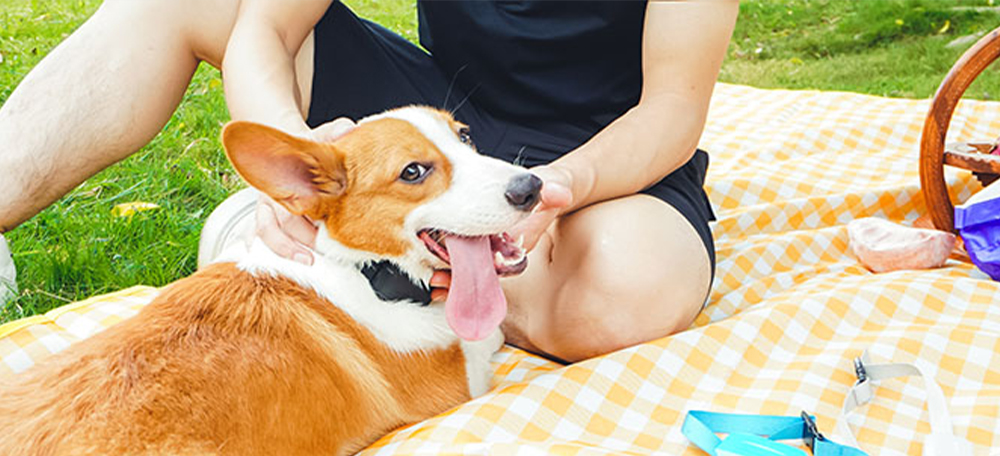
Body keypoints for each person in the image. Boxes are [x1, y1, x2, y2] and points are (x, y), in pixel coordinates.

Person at [0, 0, 738, 363]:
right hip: (444, 121)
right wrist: (293, 163)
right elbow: (266, 28)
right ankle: (358, 234)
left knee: (621, 297)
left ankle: (352, 253)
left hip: (601, 157)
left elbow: (671, 106)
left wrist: (561, 186)